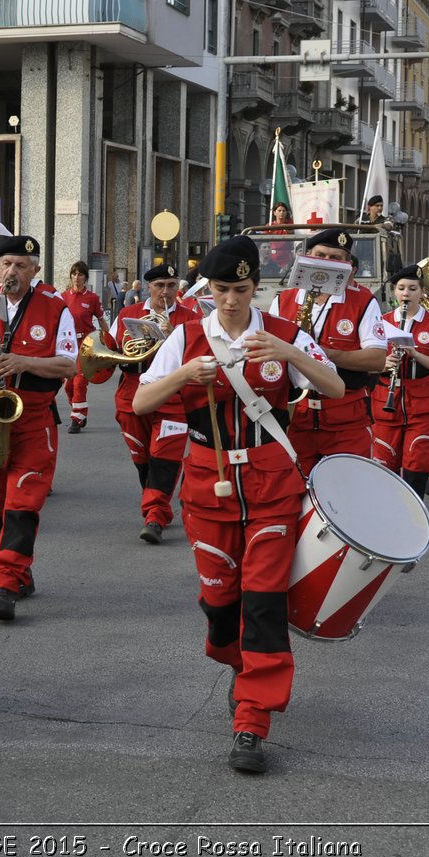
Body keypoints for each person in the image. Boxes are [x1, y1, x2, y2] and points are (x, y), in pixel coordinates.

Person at [133, 235, 343, 774]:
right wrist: (182, 375)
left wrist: (292, 353)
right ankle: (236, 661)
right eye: (222, 289)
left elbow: (336, 388)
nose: (231, 300)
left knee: (264, 601)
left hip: (273, 484)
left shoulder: (284, 333)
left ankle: (253, 719)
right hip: (208, 483)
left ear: (258, 289)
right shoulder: (184, 337)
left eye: (242, 290)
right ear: (209, 289)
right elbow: (141, 401)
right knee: (220, 604)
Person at [0, 235, 78, 620]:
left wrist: (24, 362)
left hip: (34, 419)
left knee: (22, 505)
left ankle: (4, 582)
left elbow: (70, 365)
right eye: (6, 264)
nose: (12, 272)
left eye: (21, 265)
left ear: (36, 270)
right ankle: (18, 568)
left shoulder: (56, 308)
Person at [269, 227, 387, 473]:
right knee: (296, 492)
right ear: (306, 257)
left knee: (348, 495)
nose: (327, 263)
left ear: (348, 266)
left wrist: (318, 353)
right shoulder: (283, 300)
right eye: (321, 255)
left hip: (346, 419)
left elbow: (377, 360)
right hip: (296, 418)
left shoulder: (363, 300)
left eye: (336, 259)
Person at [109, 264, 201, 544]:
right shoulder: (128, 314)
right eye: (160, 286)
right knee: (143, 457)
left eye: (171, 286)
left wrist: (174, 335)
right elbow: (112, 348)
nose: (165, 292)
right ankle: (154, 496)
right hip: (133, 396)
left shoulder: (190, 317)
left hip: (174, 398)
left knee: (165, 456)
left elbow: (198, 353)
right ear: (148, 287)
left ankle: (155, 515)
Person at [370, 266, 429, 496]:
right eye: (401, 288)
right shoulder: (381, 321)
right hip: (387, 403)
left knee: (416, 466)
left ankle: (414, 522)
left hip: (422, 404)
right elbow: (369, 363)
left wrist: (415, 353)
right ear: (394, 292)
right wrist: (383, 364)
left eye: (413, 289)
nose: (406, 294)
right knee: (384, 467)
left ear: (422, 293)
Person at [60, 260, 109, 434]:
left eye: (80, 274)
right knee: (68, 386)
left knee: (80, 382)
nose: (76, 277)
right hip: (68, 345)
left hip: (87, 345)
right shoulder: (63, 296)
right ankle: (78, 409)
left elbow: (102, 320)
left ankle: (77, 418)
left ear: (85, 278)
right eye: (74, 273)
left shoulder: (92, 298)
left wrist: (109, 343)